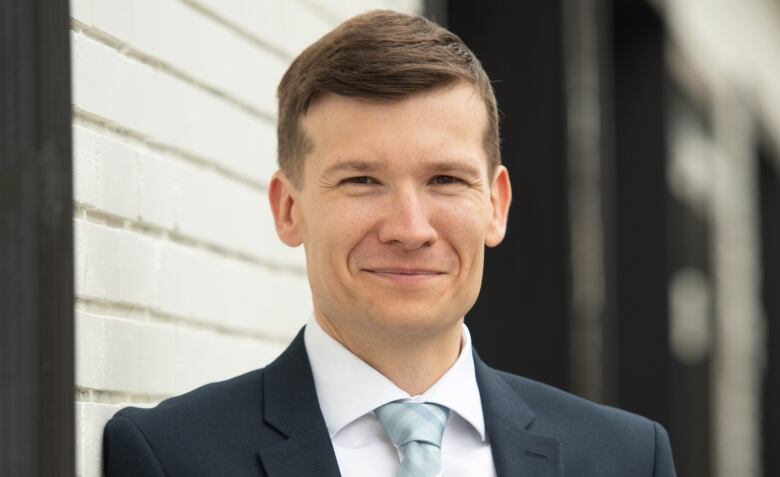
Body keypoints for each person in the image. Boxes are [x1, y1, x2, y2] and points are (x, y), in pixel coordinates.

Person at [103, 10, 676, 477]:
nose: (409, 228)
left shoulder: (624, 458)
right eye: (361, 181)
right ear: (288, 209)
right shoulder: (172, 457)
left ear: (496, 206)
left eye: (445, 180)